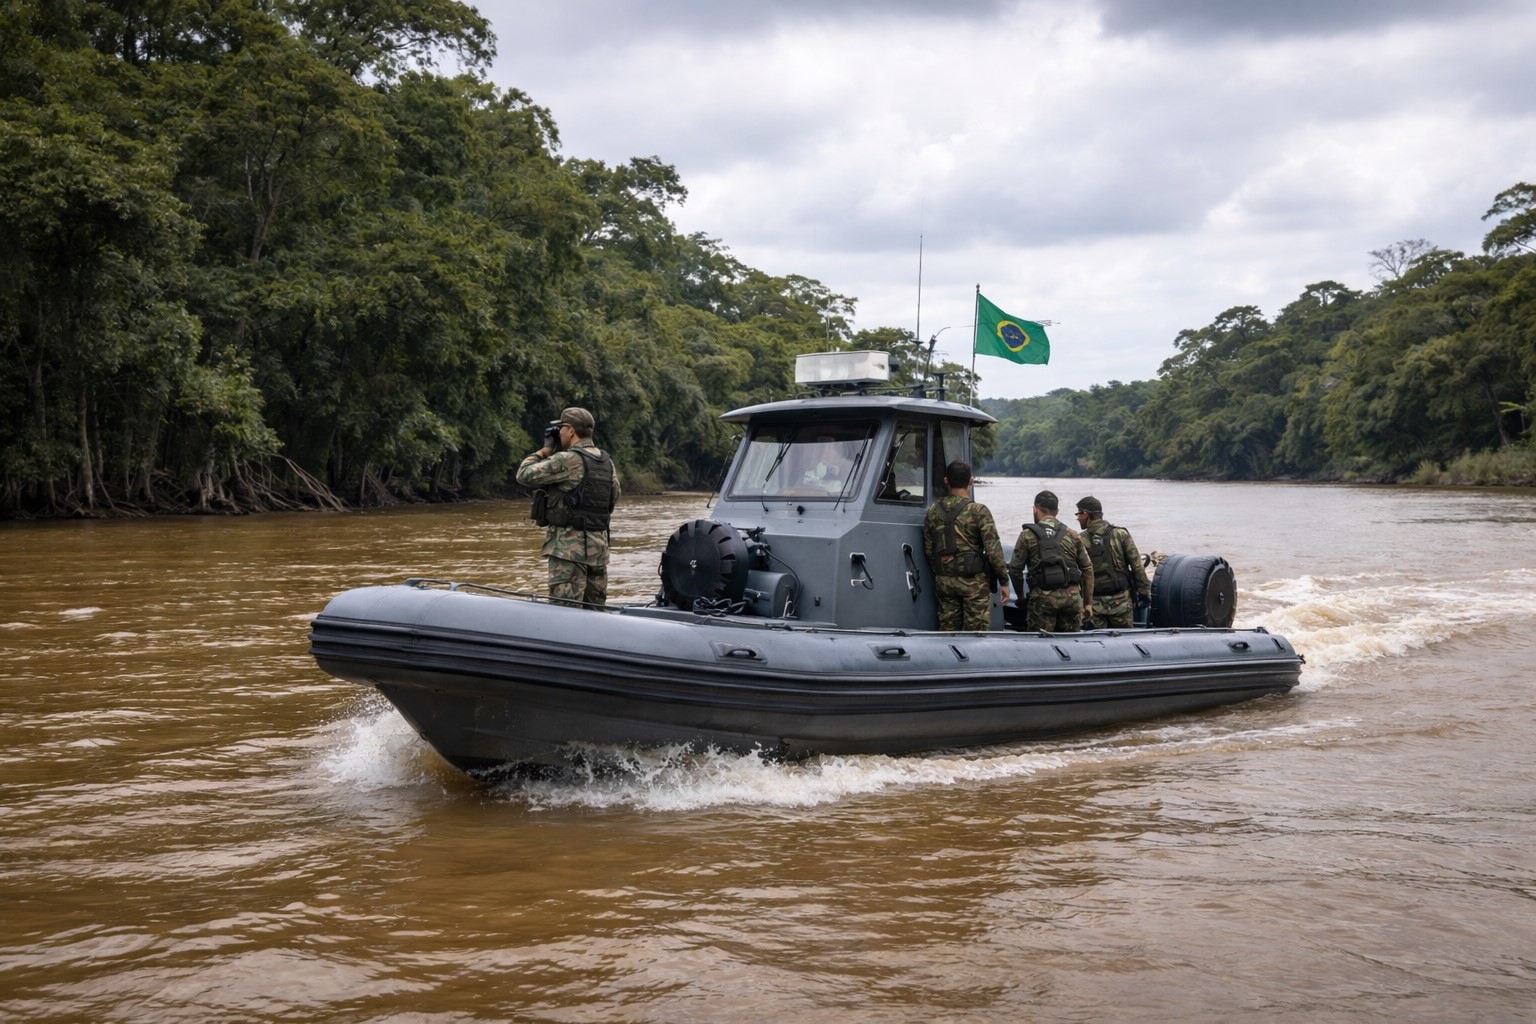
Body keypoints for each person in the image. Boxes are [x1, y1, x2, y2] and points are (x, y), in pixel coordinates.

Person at [515, 407, 619, 607]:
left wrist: (544, 450)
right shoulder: (607, 463)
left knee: (565, 613)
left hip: (568, 552)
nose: (560, 432)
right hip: (599, 551)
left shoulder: (567, 460)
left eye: (561, 428)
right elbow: (613, 499)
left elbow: (524, 474)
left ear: (571, 430)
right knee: (596, 612)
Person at [922, 461, 1010, 631]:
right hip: (974, 583)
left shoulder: (933, 512)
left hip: (944, 582)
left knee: (948, 631)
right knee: (976, 633)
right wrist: (1004, 581)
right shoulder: (979, 511)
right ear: (970, 480)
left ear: (946, 481)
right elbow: (993, 551)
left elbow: (929, 549)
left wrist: (942, 571)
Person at [1008, 489, 1094, 632]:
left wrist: (1021, 597)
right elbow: (1087, 569)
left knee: (1040, 647)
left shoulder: (1027, 535)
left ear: (1035, 509)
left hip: (1042, 599)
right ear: (1057, 511)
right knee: (1071, 643)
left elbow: (1015, 570)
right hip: (1071, 599)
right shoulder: (1073, 535)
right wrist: (1087, 603)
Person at [1074, 495, 1152, 629]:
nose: (1077, 518)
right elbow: (1137, 566)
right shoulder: (1120, 534)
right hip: (1121, 602)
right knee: (1125, 642)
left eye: (1078, 514)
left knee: (1096, 644)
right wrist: (1144, 592)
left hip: (1093, 605)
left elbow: (1074, 572)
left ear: (1085, 514)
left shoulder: (1079, 539)